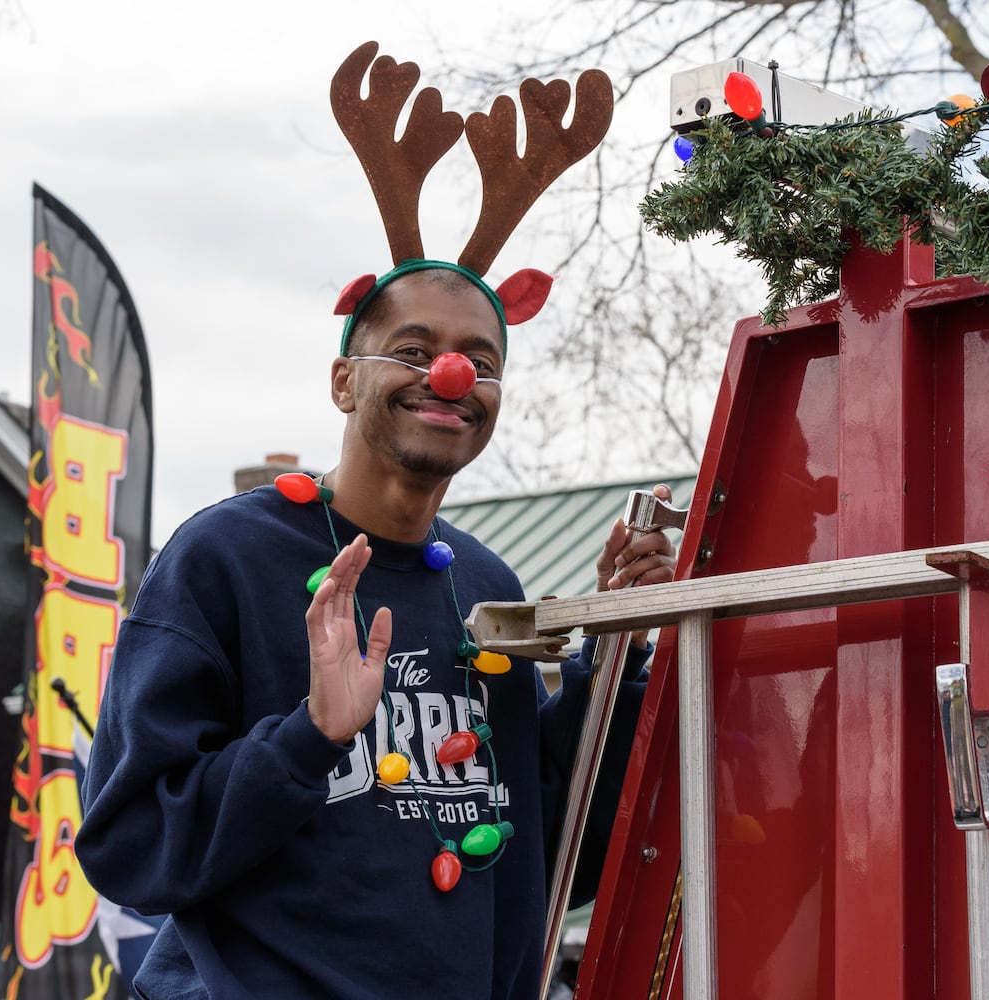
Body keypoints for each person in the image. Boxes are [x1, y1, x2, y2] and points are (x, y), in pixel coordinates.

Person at [76, 262, 676, 1000]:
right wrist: (310, 737)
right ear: (343, 382)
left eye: (479, 362)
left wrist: (616, 652)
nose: (451, 375)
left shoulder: (485, 583)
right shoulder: (223, 558)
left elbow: (548, 848)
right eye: (413, 352)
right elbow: (134, 846)